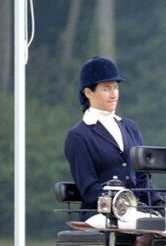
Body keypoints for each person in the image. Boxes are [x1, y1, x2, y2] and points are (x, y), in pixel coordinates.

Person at [65, 56, 155, 220]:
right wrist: (126, 203)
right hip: (100, 212)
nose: (114, 95)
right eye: (107, 89)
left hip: (136, 211)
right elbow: (89, 189)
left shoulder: (130, 127)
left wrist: (157, 203)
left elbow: (143, 177)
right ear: (88, 92)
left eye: (116, 88)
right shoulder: (79, 136)